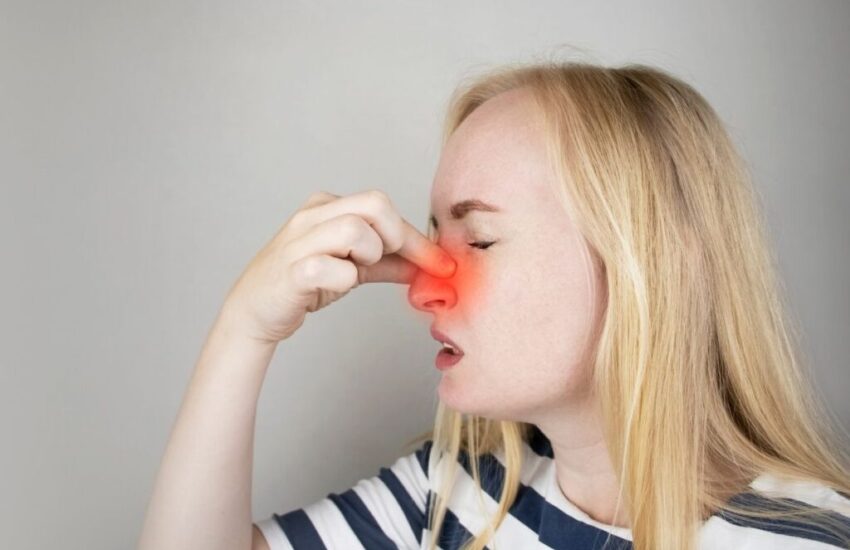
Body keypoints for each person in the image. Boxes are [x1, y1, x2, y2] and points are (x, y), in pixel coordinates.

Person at [138, 61, 850, 550]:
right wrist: (245, 330)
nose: (424, 287)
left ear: (654, 262)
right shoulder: (454, 491)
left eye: (478, 239)